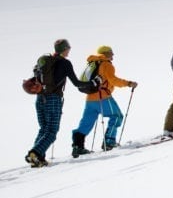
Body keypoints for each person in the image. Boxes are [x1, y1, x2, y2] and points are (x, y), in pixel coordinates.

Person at [25, 39, 98, 167]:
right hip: (53, 99)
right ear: (65, 49)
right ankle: (35, 153)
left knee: (44, 129)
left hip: (40, 98)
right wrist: (92, 83)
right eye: (68, 48)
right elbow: (76, 83)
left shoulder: (44, 61)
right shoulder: (65, 63)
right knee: (52, 131)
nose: (69, 50)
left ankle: (38, 158)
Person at [72, 46, 138, 156]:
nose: (113, 55)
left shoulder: (92, 63)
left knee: (86, 123)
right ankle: (109, 142)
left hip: (90, 99)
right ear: (106, 54)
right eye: (111, 53)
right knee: (117, 116)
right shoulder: (106, 64)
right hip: (102, 97)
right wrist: (128, 83)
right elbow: (113, 80)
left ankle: (77, 146)